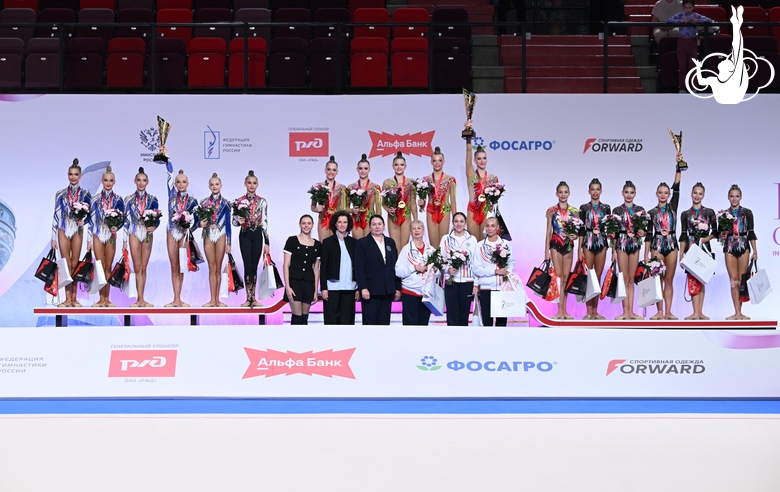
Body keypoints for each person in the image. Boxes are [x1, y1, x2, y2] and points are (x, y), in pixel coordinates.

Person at [645, 158, 682, 320]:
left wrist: (678, 167)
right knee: (657, 279)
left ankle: (668, 312)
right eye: (660, 192)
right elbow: (648, 234)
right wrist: (646, 254)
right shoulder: (651, 212)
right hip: (657, 245)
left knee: (669, 280)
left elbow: (678, 188)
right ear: (656, 194)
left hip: (672, 245)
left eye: (666, 193)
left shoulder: (673, 206)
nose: (663, 195)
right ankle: (659, 312)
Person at [51, 158, 92, 307]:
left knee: (75, 264)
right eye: (70, 174)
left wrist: (85, 224)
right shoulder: (60, 194)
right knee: (65, 264)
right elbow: (55, 215)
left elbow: (91, 216)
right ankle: (66, 298)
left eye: (76, 174)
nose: (73, 177)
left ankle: (74, 299)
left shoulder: (86, 195)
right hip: (63, 228)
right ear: (68, 175)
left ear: (80, 176)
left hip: (77, 230)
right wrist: (52, 238)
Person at [678, 182, 716, 320]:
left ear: (703, 196)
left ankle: (700, 312)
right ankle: (695, 312)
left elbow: (716, 232)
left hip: (704, 248)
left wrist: (706, 239)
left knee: (702, 278)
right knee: (693, 279)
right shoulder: (685, 214)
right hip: (691, 247)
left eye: (700, 194)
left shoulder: (709, 212)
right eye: (695, 193)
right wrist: (681, 254)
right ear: (691, 194)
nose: (697, 196)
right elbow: (683, 234)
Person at [354, 215, 401, 325]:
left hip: (387, 291)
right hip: (370, 291)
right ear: (369, 227)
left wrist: (397, 287)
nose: (377, 227)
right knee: (370, 324)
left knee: (384, 324)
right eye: (374, 224)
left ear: (384, 226)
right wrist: (363, 288)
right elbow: (358, 268)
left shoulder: (390, 242)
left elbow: (395, 267)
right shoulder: (363, 243)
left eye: (379, 224)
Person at [123, 166, 159, 308]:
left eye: (144, 180)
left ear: (148, 182)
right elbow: (126, 221)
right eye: (139, 180)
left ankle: (143, 299)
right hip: (134, 231)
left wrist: (154, 226)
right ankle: (139, 299)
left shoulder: (153, 199)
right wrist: (124, 241)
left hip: (147, 233)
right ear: (135, 181)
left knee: (144, 267)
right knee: (137, 266)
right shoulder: (128, 200)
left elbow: (157, 217)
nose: (141, 183)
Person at [233, 170, 269, 308]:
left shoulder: (262, 201)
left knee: (255, 267)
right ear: (245, 184)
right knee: (247, 266)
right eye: (249, 183)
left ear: (257, 185)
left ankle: (254, 298)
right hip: (245, 235)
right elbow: (233, 222)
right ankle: (248, 298)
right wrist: (239, 220)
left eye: (254, 183)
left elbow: (265, 221)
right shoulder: (239, 201)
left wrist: (267, 242)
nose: (251, 185)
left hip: (258, 235)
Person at [88, 166, 124, 308]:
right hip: (97, 233)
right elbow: (90, 220)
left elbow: (123, 219)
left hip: (110, 235)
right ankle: (100, 299)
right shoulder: (95, 199)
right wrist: (89, 240)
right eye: (106, 180)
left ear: (114, 182)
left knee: (108, 266)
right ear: (101, 181)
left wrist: (117, 227)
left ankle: (107, 299)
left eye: (111, 181)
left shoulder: (119, 200)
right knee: (99, 266)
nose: (108, 183)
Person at [163, 166, 198, 308]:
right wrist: (166, 158)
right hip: (171, 232)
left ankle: (179, 298)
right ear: (175, 184)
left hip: (184, 235)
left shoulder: (193, 201)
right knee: (174, 266)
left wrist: (188, 227)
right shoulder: (171, 196)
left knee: (182, 266)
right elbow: (169, 175)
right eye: (178, 182)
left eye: (183, 182)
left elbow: (196, 222)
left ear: (187, 184)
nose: (181, 184)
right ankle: (175, 299)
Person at [611, 181, 646, 320]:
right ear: (622, 193)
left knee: (631, 279)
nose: (629, 195)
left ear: (635, 194)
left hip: (634, 245)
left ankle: (631, 311)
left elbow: (644, 229)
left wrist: (642, 232)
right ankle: (624, 311)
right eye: (626, 192)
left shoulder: (640, 210)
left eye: (631, 192)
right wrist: (613, 251)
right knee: (623, 279)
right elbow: (613, 233)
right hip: (621, 244)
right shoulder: (617, 210)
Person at [721, 184, 757, 320]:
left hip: (743, 245)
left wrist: (755, 251)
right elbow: (720, 233)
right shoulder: (724, 214)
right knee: (733, 280)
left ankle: (740, 313)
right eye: (732, 196)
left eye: (736, 196)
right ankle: (736, 312)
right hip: (730, 246)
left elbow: (751, 232)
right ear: (728, 197)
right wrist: (725, 233)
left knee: (742, 280)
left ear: (741, 197)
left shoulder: (747, 212)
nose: (734, 199)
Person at [544, 181, 579, 320]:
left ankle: (565, 311)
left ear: (569, 194)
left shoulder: (574, 211)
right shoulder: (551, 210)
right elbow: (548, 231)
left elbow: (576, 232)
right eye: (561, 192)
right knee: (558, 277)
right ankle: (559, 311)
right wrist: (546, 251)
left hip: (568, 245)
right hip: (555, 244)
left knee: (566, 277)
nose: (563, 195)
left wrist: (574, 236)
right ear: (556, 194)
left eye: (565, 192)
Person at [472, 217, 515, 326]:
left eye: (492, 226)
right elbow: (476, 268)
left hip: (502, 288)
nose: (490, 228)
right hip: (486, 288)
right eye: (487, 226)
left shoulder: (505, 244)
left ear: (497, 227)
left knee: (501, 322)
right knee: (487, 321)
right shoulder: (480, 246)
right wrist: (495, 271)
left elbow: (511, 262)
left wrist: (507, 272)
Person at [579, 178, 611, 320]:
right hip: (588, 240)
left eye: (597, 189)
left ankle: (595, 311)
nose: (595, 192)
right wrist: (580, 248)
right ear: (589, 191)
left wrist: (613, 247)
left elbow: (610, 228)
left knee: (597, 277)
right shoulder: (584, 208)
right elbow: (580, 229)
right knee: (588, 277)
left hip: (602, 242)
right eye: (593, 189)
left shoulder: (606, 208)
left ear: (601, 191)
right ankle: (588, 310)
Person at [394, 219, 436, 326]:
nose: (416, 230)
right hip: (410, 293)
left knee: (423, 325)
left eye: (419, 228)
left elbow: (439, 272)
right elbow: (398, 271)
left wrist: (436, 270)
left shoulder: (431, 250)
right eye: (414, 228)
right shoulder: (406, 250)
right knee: (410, 327)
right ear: (410, 232)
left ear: (423, 230)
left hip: (426, 294)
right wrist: (414, 267)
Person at [198, 173, 231, 308]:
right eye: (212, 184)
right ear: (209, 186)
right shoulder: (204, 203)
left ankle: (218, 300)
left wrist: (229, 242)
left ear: (221, 186)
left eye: (216, 184)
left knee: (218, 267)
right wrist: (200, 224)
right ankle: (212, 299)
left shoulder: (226, 203)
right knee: (211, 267)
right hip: (208, 235)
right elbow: (198, 220)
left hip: (221, 234)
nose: (214, 186)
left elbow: (228, 223)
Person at [320, 211, 358, 325]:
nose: (342, 225)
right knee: (332, 321)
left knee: (347, 321)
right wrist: (324, 288)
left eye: (345, 222)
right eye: (339, 222)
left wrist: (357, 288)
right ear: (335, 224)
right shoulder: (328, 242)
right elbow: (323, 267)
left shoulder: (354, 243)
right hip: (332, 288)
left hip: (350, 288)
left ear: (348, 224)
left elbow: (357, 267)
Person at [440, 212, 477, 326]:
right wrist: (447, 270)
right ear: (452, 223)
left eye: (461, 221)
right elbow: (440, 259)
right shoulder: (446, 239)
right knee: (452, 314)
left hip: (467, 282)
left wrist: (476, 283)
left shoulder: (472, 239)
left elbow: (476, 262)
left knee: (464, 315)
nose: (459, 224)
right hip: (451, 281)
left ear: (465, 223)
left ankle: (463, 341)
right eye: (456, 221)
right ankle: (451, 341)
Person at [667, 0, 713, 91]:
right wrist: (680, 21)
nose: (687, 10)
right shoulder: (680, 15)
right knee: (682, 67)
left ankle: (694, 87)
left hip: (692, 43)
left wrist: (698, 21)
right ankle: (682, 88)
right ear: (683, 7)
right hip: (682, 43)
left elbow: (709, 20)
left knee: (693, 67)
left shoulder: (695, 16)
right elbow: (668, 20)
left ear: (693, 7)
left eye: (690, 8)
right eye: (686, 8)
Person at [283, 215, 321, 325]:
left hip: (309, 283)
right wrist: (288, 287)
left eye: (309, 223)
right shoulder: (292, 241)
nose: (306, 226)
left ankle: (304, 342)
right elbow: (286, 265)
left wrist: (315, 290)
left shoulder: (317, 244)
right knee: (297, 317)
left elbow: (316, 269)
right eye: (304, 223)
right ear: (299, 225)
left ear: (312, 225)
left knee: (305, 318)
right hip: (294, 283)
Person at [418, 146, 457, 248]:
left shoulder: (450, 179)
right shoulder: (426, 180)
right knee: (433, 243)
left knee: (444, 242)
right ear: (431, 162)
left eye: (439, 160)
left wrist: (455, 218)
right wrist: (421, 202)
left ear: (443, 162)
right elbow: (423, 199)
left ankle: (444, 263)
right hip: (431, 211)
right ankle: (435, 263)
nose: (437, 163)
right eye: (434, 161)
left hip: (444, 211)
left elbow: (453, 201)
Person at [465, 132, 500, 241]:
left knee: (486, 242)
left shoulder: (493, 178)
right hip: (473, 209)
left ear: (487, 159)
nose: (482, 161)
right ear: (475, 161)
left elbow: (496, 199)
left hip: (486, 210)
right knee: (474, 241)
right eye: (479, 159)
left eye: (484, 158)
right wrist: (468, 138)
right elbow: (468, 151)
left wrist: (493, 205)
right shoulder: (471, 174)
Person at [382, 152, 417, 248]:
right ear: (392, 166)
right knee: (395, 246)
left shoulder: (411, 182)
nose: (399, 167)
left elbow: (413, 202)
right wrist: (387, 209)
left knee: (405, 247)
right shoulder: (387, 182)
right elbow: (383, 203)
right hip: (393, 217)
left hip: (406, 216)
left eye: (401, 165)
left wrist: (416, 220)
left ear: (405, 166)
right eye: (396, 165)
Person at [311, 156, 347, 242]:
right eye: (329, 169)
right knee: (324, 245)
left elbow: (344, 208)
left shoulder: (342, 188)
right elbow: (312, 206)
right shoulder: (318, 186)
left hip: (336, 220)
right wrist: (317, 209)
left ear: (337, 172)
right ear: (325, 170)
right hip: (323, 219)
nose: (331, 172)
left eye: (334, 170)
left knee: (336, 246)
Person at [348, 154, 382, 240]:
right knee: (358, 245)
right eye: (360, 168)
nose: (363, 171)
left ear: (369, 169)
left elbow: (378, 208)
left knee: (370, 246)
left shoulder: (375, 187)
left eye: (365, 168)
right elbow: (345, 208)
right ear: (357, 169)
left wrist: (377, 223)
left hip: (370, 220)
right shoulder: (350, 187)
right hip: (356, 219)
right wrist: (352, 210)